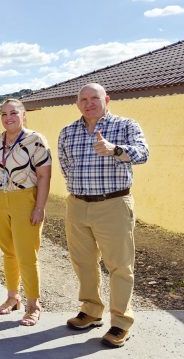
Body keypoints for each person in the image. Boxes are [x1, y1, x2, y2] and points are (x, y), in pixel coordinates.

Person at [58, 83, 149, 348]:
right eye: (83, 99)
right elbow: (66, 167)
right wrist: (79, 191)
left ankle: (120, 322)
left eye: (94, 98)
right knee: (83, 262)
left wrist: (115, 150)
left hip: (113, 204)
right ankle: (91, 311)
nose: (89, 103)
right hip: (77, 204)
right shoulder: (68, 132)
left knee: (119, 267)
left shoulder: (126, 126)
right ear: (78, 104)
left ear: (106, 99)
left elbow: (143, 153)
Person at [0, 99, 51, 326]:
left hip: (25, 199)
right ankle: (13, 297)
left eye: (13, 113)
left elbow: (44, 176)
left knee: (27, 254)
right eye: (3, 114)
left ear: (23, 115)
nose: (8, 118)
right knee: (8, 251)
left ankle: (33, 304)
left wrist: (39, 207)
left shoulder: (36, 140)